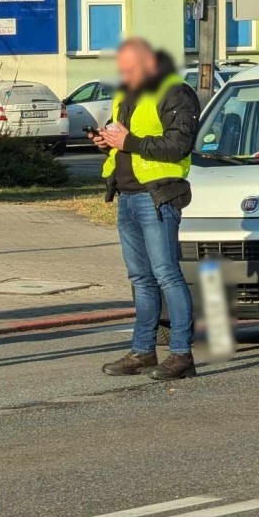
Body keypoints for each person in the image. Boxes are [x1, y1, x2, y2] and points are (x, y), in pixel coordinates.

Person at [93, 39, 199, 380]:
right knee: (140, 278)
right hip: (127, 196)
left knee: (167, 273)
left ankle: (181, 353)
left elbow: (179, 145)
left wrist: (130, 142)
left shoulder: (175, 92)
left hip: (156, 196)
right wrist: (106, 141)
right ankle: (143, 351)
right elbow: (122, 138)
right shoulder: (125, 94)